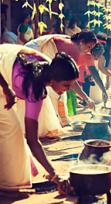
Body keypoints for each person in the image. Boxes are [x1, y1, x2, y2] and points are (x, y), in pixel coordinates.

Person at [0, 44, 79, 192]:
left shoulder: (41, 82)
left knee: (16, 132)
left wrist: (54, 174)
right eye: (66, 85)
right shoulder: (30, 82)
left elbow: (32, 139)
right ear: (54, 79)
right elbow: (32, 141)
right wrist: (5, 87)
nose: (67, 90)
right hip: (2, 78)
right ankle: (6, 186)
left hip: (7, 81)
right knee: (12, 131)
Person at [26, 31, 108, 115]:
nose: (88, 51)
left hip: (37, 54)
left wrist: (103, 90)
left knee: (58, 93)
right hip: (33, 53)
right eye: (89, 47)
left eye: (90, 49)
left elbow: (93, 72)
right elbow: (71, 80)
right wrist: (86, 98)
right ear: (81, 42)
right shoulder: (74, 49)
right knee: (51, 93)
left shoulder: (79, 48)